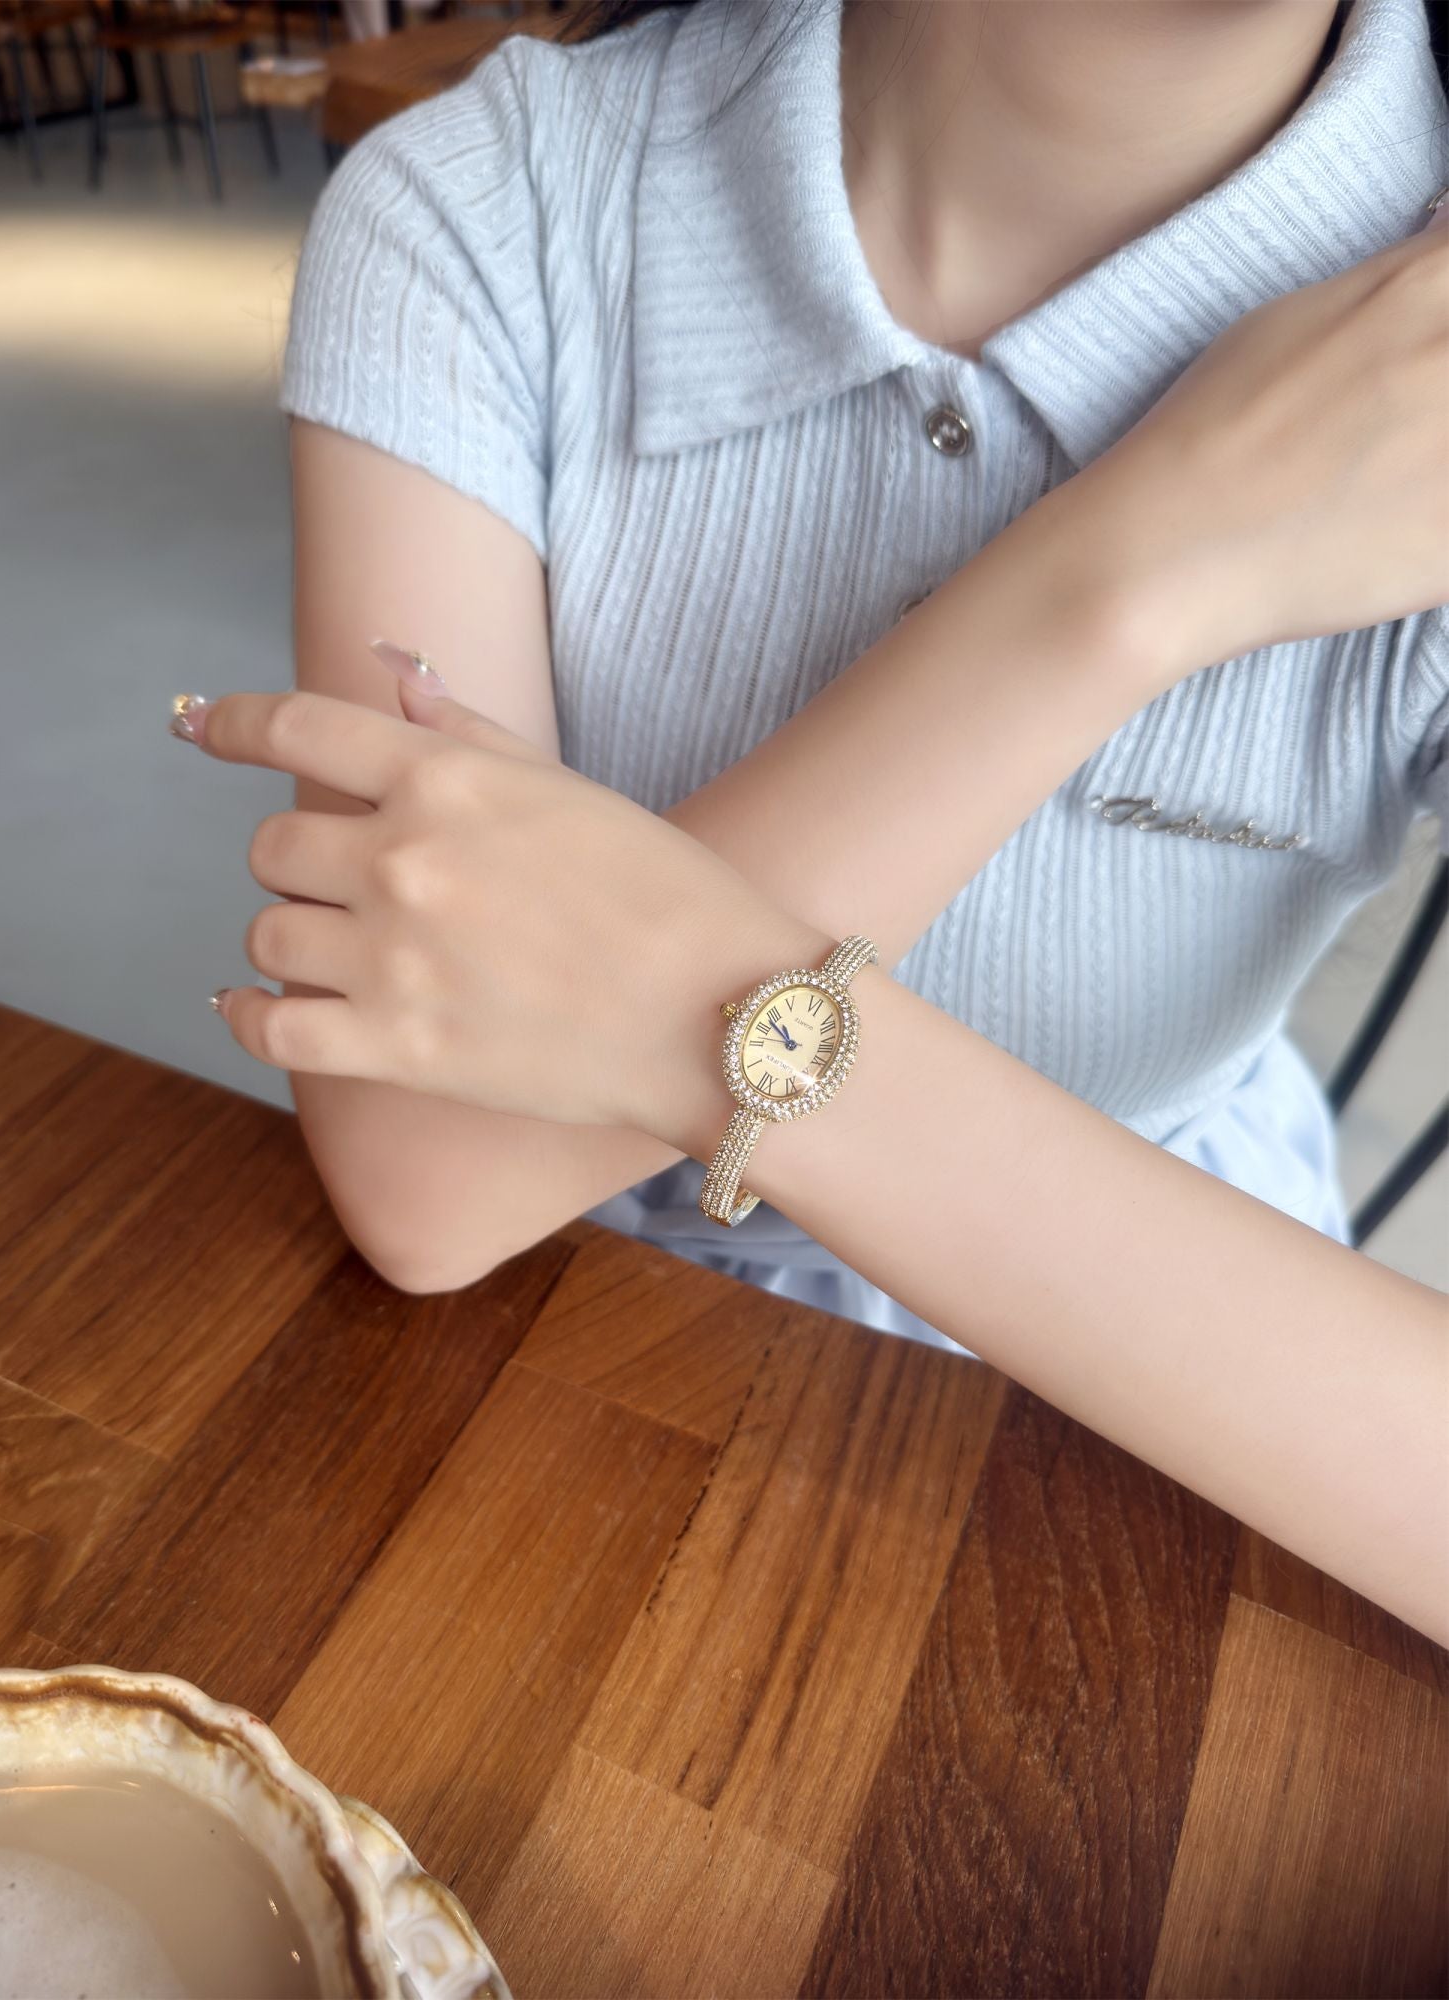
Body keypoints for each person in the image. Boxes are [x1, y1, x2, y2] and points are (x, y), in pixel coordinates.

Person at [178, 0, 1448, 1640]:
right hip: (578, 1347)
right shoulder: (489, 202)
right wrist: (1133, 572)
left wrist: (680, 1010)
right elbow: (432, 1183)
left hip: (1193, 1420)